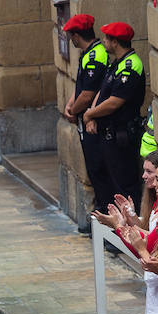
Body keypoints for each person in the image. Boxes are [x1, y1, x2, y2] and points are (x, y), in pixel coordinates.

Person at [81, 21, 146, 209]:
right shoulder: (117, 63)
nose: (103, 41)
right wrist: (91, 115)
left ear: (115, 42)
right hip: (109, 134)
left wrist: (89, 114)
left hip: (122, 136)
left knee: (124, 185)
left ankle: (128, 231)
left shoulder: (131, 66)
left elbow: (115, 102)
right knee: (111, 183)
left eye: (107, 38)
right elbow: (102, 92)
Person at [59, 14, 110, 224]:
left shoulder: (95, 57)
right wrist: (71, 105)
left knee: (99, 170)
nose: (71, 39)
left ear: (77, 36)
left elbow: (88, 94)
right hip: (85, 120)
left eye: (71, 35)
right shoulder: (89, 54)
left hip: (94, 124)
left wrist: (74, 110)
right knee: (93, 170)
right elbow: (80, 88)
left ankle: (103, 217)